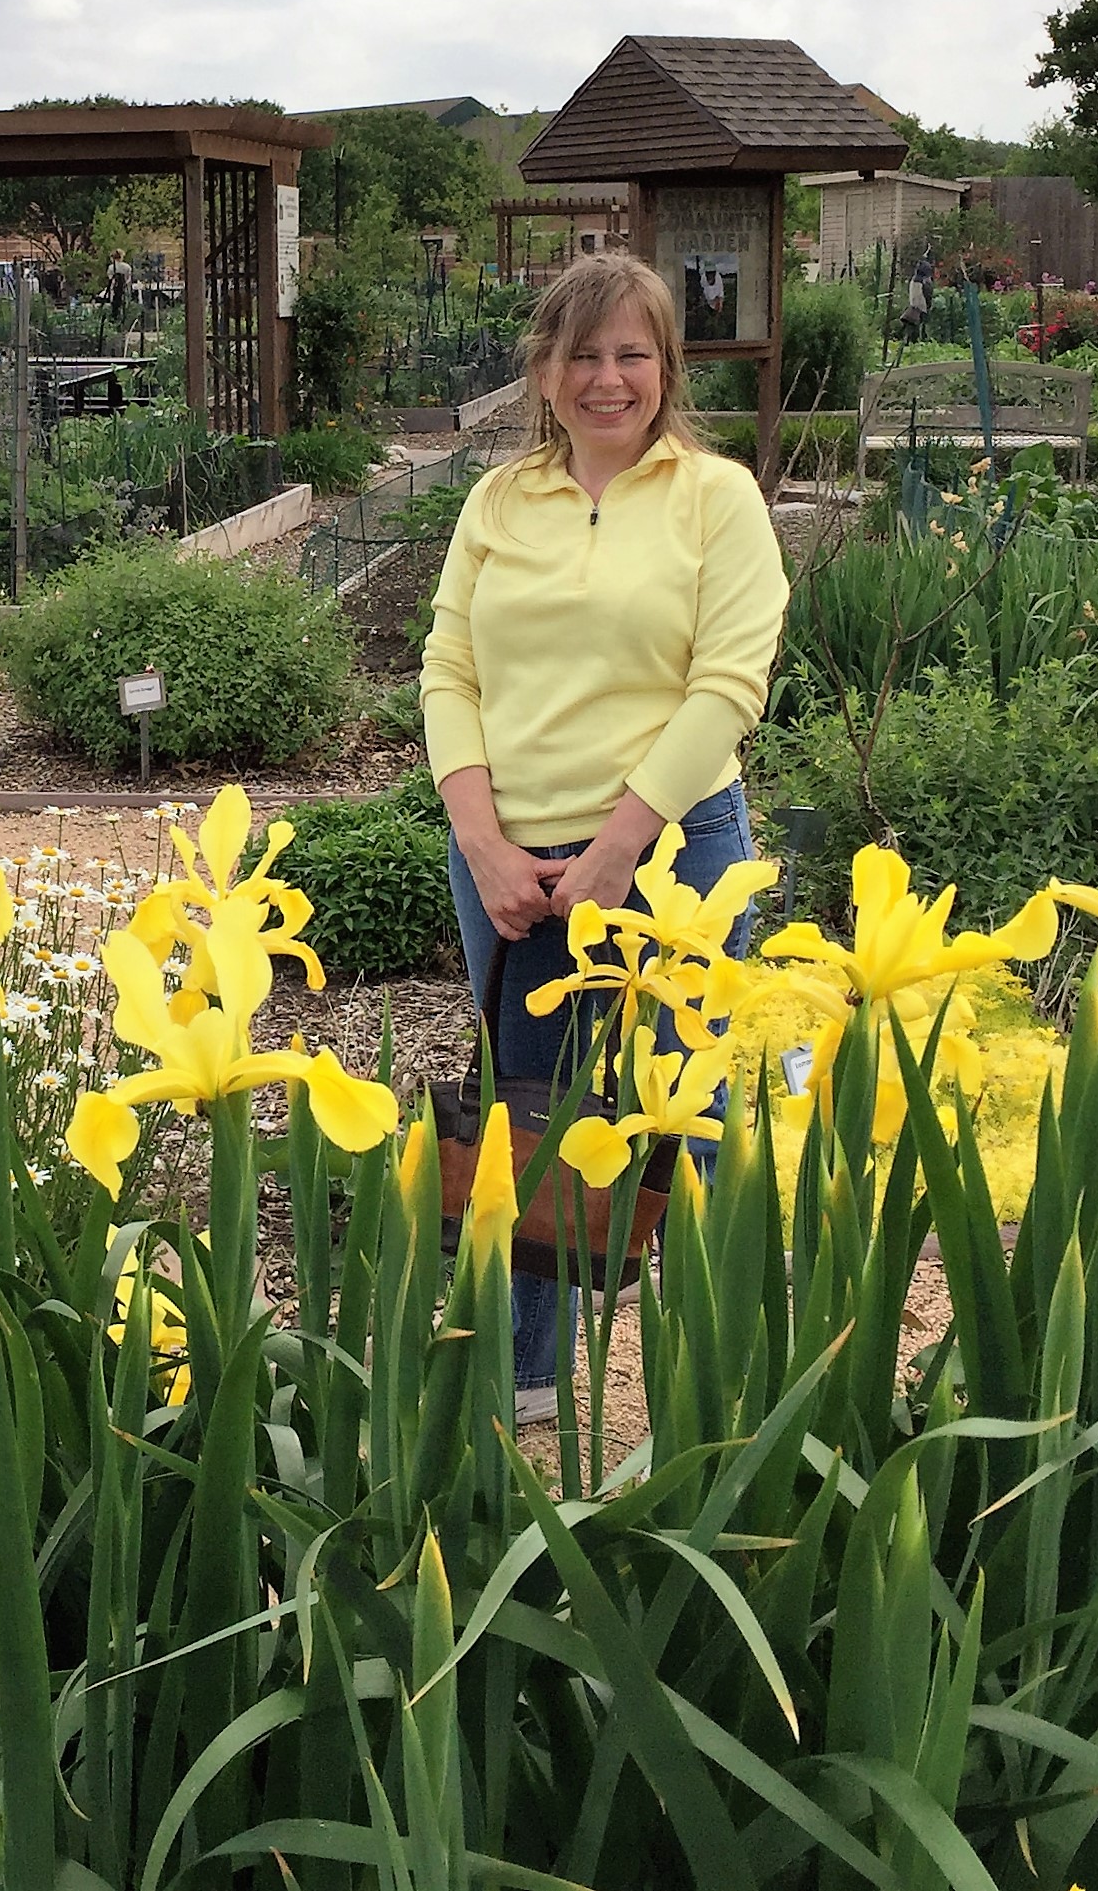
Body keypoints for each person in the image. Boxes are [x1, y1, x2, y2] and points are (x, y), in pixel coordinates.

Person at [418, 251, 789, 1421]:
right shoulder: (497, 501)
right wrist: (479, 839)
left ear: (667, 366)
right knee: (529, 1114)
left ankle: (729, 1377)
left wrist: (621, 848)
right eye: (582, 354)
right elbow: (448, 668)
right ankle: (528, 1382)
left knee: (692, 1111)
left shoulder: (713, 496)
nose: (607, 378)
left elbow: (729, 684)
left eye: (632, 352)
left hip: (674, 850)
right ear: (542, 369)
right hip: (509, 860)